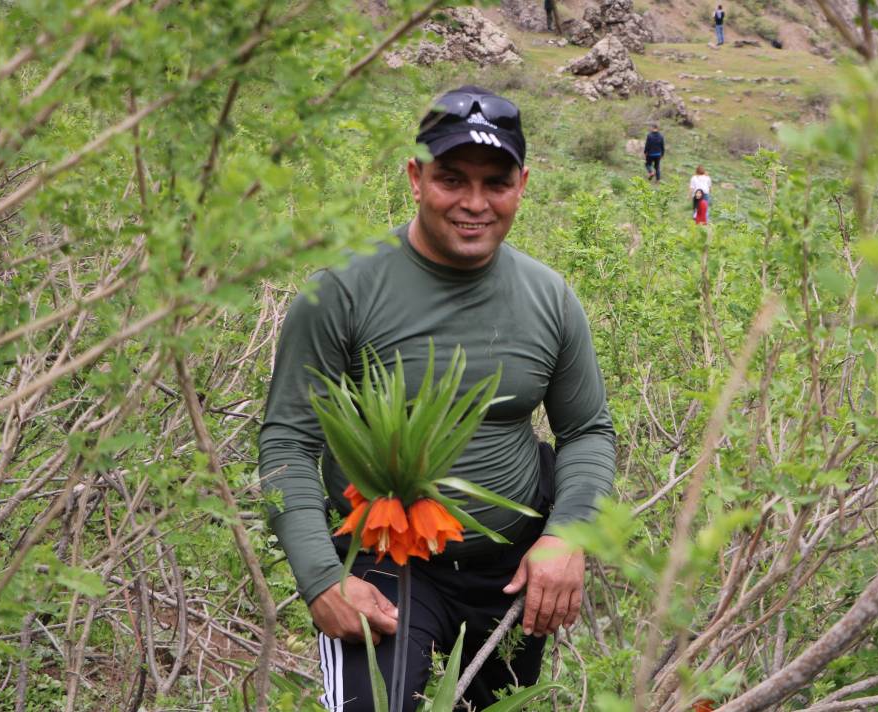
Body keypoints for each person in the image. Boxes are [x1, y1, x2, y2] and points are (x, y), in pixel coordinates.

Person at [258, 85, 617, 712]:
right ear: (416, 177)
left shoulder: (549, 297)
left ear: (523, 184)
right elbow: (288, 439)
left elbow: (587, 431)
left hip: (512, 571)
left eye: (496, 183)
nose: (474, 203)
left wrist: (567, 537)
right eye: (452, 179)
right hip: (384, 562)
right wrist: (320, 579)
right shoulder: (343, 291)